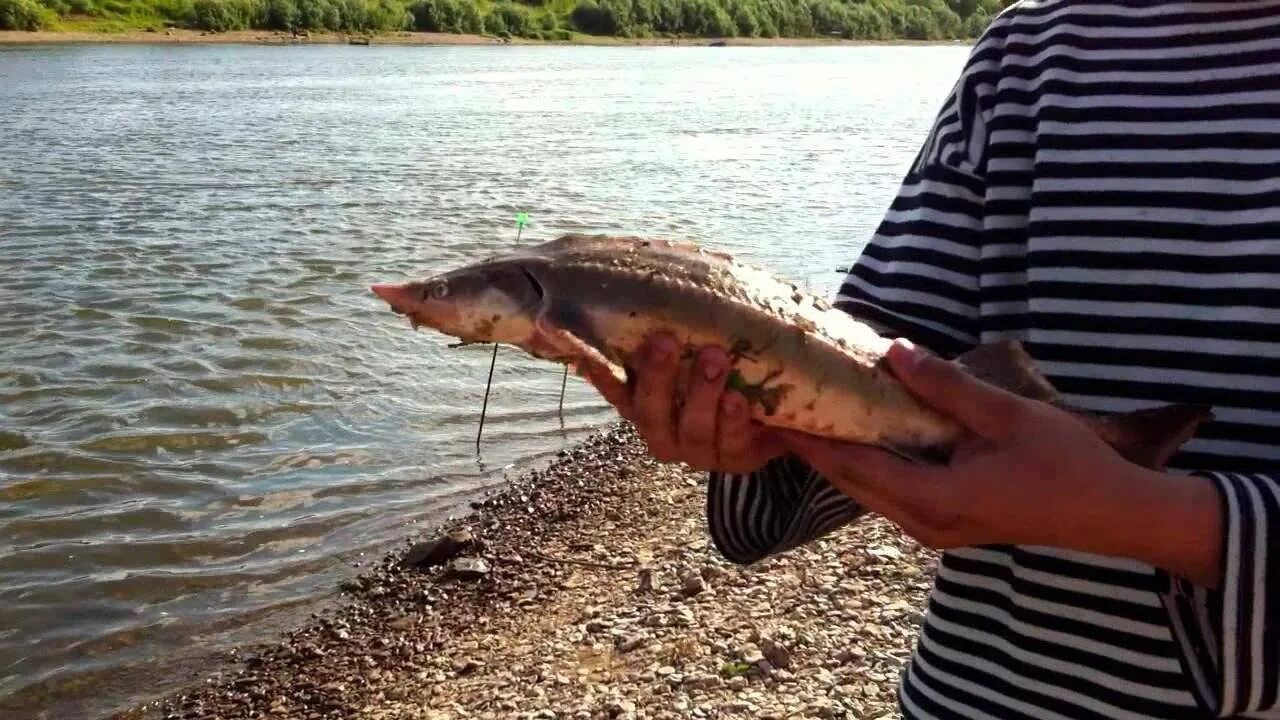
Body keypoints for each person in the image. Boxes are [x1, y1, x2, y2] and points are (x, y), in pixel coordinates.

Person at [579, 1, 1280, 717]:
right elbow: (887, 357)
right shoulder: (1029, 51)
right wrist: (754, 424)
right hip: (981, 692)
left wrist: (1156, 520)